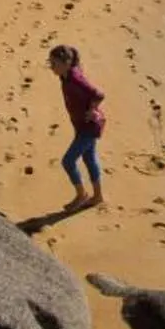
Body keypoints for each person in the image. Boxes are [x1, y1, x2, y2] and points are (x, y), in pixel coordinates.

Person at [48, 43, 105, 211]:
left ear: (65, 63)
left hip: (89, 128)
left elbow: (99, 94)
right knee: (89, 159)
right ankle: (98, 196)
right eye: (50, 64)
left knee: (68, 161)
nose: (51, 68)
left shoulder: (75, 79)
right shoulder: (65, 76)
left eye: (54, 64)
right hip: (81, 126)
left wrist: (92, 109)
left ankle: (81, 195)